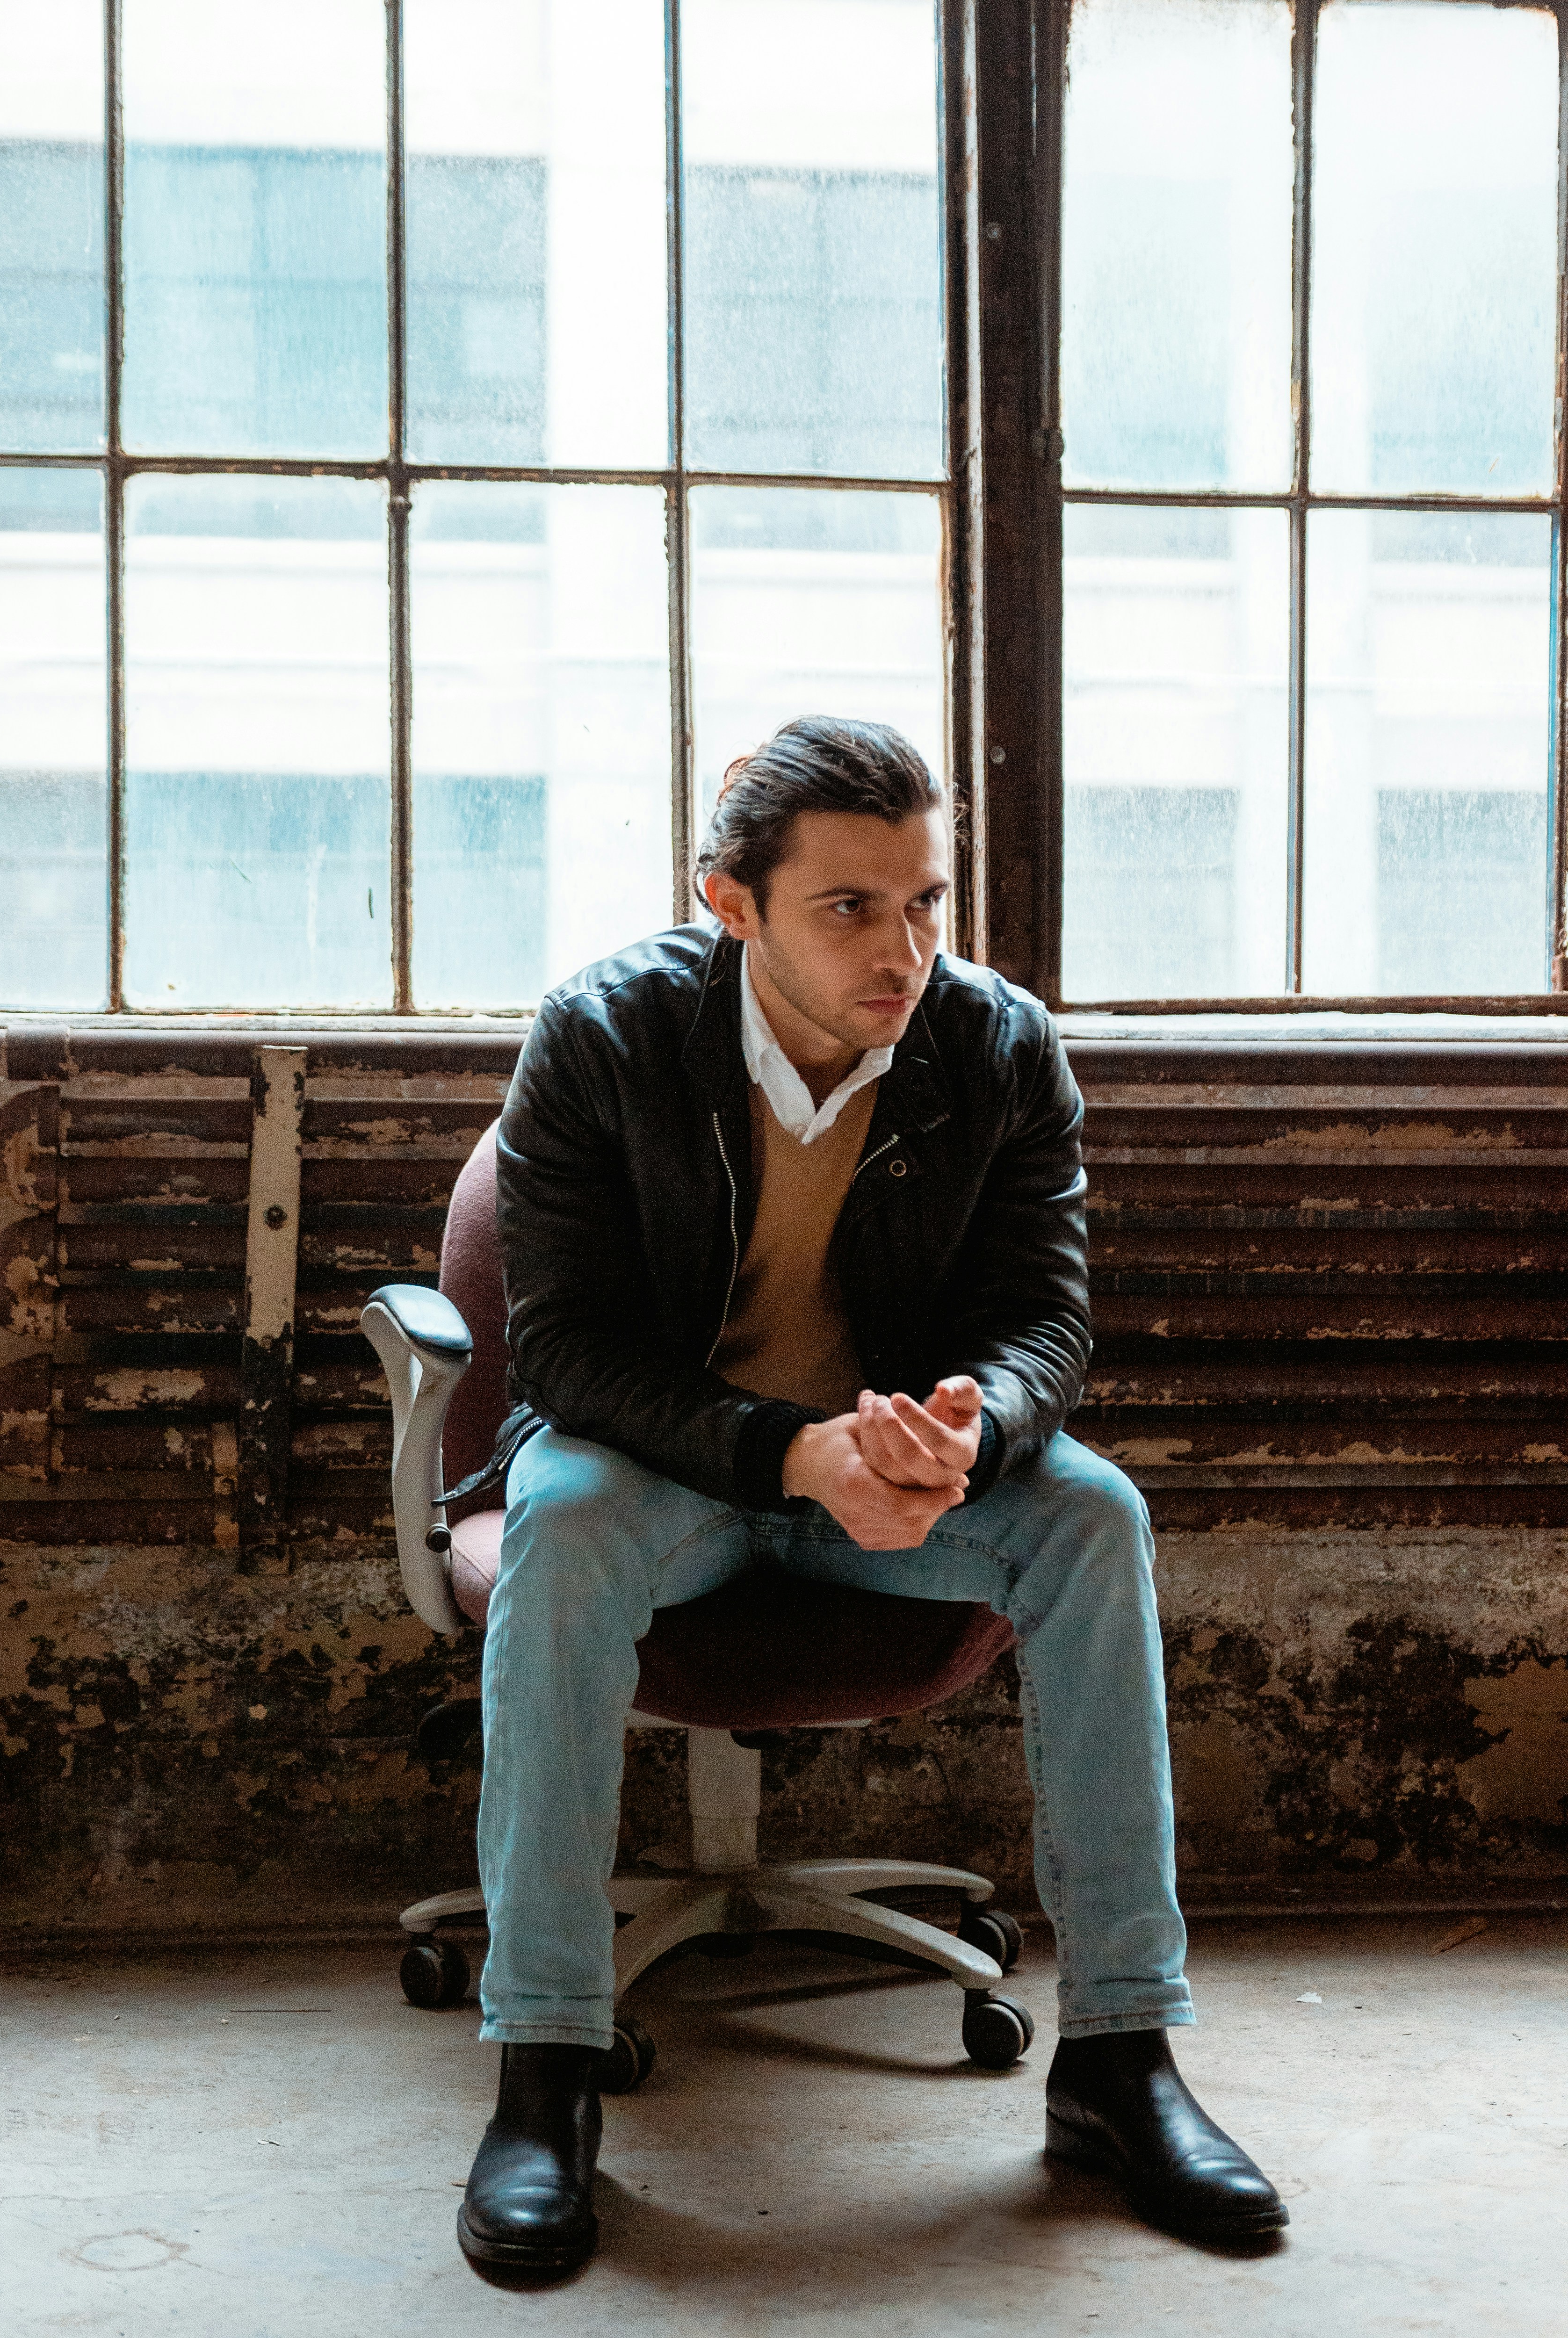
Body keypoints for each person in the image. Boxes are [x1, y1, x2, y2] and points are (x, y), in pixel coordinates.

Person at [455, 716, 1287, 2279]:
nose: (903, 945)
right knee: (558, 1530)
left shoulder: (1000, 1045)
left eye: (925, 901)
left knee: (1096, 1517)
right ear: (732, 903)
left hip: (905, 1474)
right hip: (670, 1467)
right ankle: (548, 2072)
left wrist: (976, 1429)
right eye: (851, 906)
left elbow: (1049, 1318)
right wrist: (790, 1454)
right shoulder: (602, 1036)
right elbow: (563, 1350)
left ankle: (1121, 2060)